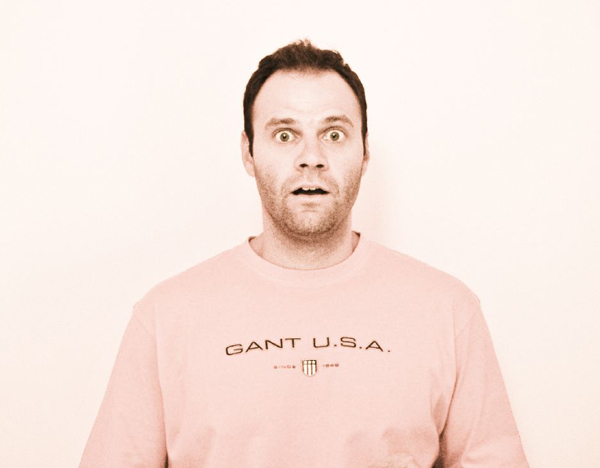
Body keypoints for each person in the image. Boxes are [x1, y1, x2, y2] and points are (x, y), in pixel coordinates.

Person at [79, 40, 530, 468]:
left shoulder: (448, 310)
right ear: (248, 152)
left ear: (365, 152)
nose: (311, 157)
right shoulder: (165, 317)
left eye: (334, 134)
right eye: (284, 135)